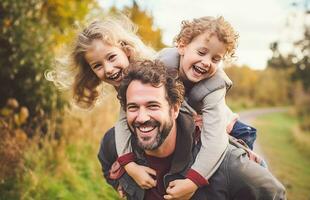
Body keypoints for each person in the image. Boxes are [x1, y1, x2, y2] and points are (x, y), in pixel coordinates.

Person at [115, 16, 263, 198]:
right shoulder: (161, 64)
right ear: (182, 46)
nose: (207, 62)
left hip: (231, 130)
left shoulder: (215, 86)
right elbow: (125, 116)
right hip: (191, 125)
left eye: (216, 59)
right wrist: (128, 165)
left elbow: (215, 139)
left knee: (243, 174)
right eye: (201, 53)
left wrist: (193, 181)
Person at [98, 60, 286, 199]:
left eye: (153, 106)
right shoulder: (114, 142)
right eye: (133, 107)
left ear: (174, 109)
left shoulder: (228, 165)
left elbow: (274, 194)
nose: (142, 117)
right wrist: (120, 183)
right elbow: (106, 161)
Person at [45, 14, 155, 108]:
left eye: (111, 57)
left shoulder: (150, 74)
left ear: (126, 49)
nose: (108, 69)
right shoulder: (124, 89)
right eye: (97, 66)